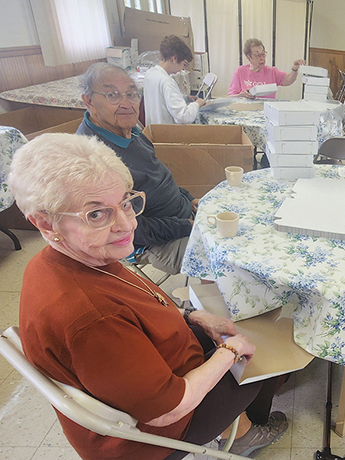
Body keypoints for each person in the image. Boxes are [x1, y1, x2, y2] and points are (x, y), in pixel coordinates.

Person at [7, 133, 288, 460]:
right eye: (96, 214)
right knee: (261, 363)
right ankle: (246, 436)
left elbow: (136, 310)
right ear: (45, 224)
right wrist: (228, 352)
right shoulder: (92, 319)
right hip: (153, 434)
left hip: (155, 371)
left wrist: (192, 317)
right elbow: (167, 411)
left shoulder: (64, 260)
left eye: (125, 203)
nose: (127, 224)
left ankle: (239, 428)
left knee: (245, 337)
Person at [76, 62, 194, 275]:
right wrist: (187, 226)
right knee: (222, 253)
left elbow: (157, 174)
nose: (127, 104)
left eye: (131, 94)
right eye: (112, 95)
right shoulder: (94, 159)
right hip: (152, 242)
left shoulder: (127, 129)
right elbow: (132, 228)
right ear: (89, 101)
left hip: (181, 216)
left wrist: (189, 198)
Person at [144, 35, 206, 125]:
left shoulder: (150, 74)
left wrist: (185, 98)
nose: (183, 69)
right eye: (184, 64)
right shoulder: (167, 82)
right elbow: (183, 117)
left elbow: (161, 100)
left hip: (152, 129)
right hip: (166, 131)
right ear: (174, 58)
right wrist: (197, 104)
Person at [228, 38, 305, 99]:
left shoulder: (272, 72)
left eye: (263, 54)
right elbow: (230, 97)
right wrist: (241, 96)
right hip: (246, 110)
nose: (262, 58)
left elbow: (289, 80)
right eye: (257, 55)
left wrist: (295, 69)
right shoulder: (240, 71)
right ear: (249, 58)